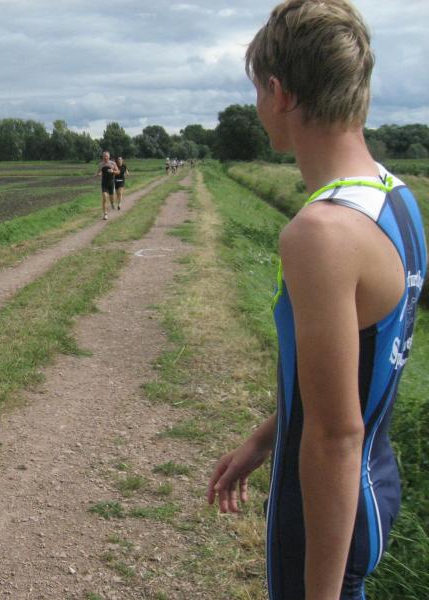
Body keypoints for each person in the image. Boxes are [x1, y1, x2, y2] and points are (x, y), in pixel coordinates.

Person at [205, 2, 426, 599]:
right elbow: (356, 380)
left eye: (257, 90)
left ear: (278, 93)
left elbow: (335, 434)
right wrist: (264, 439)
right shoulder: (394, 197)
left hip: (324, 512)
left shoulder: (321, 233)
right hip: (373, 485)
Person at [95, 151, 119, 219]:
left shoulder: (113, 163)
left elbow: (118, 172)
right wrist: (98, 174)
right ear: (102, 157)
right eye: (104, 156)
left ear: (109, 156)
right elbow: (99, 171)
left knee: (111, 198)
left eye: (106, 156)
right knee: (105, 198)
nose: (105, 157)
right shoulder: (100, 164)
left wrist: (113, 171)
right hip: (104, 183)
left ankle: (112, 203)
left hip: (111, 183)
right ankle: (105, 214)